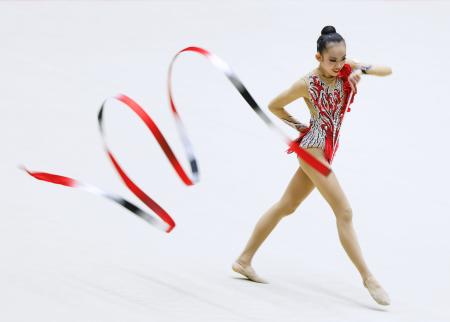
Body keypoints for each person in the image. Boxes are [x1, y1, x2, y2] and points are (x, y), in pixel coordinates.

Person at [232, 25, 392, 306]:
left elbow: (387, 70)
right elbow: (274, 105)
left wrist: (359, 70)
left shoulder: (346, 69)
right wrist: (302, 128)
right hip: (312, 150)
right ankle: (369, 278)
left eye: (343, 58)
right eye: (332, 60)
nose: (338, 65)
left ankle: (244, 260)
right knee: (344, 211)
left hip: (326, 151)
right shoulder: (306, 83)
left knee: (287, 206)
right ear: (318, 57)